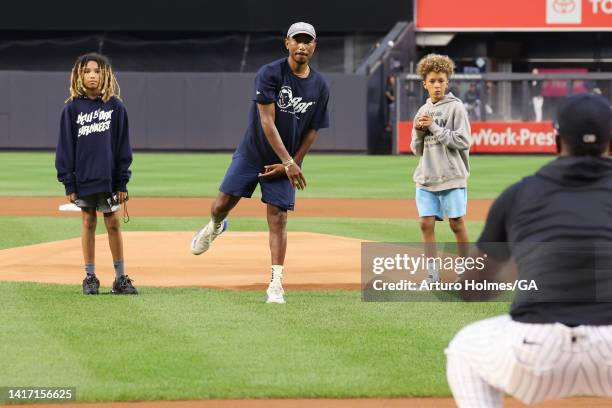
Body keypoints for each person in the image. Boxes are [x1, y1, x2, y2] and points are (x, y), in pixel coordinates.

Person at [446, 93, 612, 407]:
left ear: (556, 140)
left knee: (464, 349)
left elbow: (471, 290)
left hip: (537, 349)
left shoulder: (520, 194)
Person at [190, 22, 330, 304]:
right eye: (297, 40)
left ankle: (276, 283)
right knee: (220, 206)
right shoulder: (269, 73)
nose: (302, 46)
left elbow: (313, 130)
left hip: (285, 162)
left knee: (278, 218)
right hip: (253, 152)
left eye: (308, 41)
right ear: (287, 43)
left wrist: (292, 164)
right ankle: (216, 225)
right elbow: (266, 121)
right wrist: (289, 161)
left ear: (314, 46)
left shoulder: (320, 86)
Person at [55, 53, 137, 296]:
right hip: (84, 179)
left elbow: (123, 146)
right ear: (79, 76)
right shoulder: (71, 109)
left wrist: (122, 181)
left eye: (98, 71)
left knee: (112, 222)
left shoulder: (116, 107)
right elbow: (65, 148)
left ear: (106, 75)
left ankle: (120, 278)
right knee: (89, 221)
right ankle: (90, 276)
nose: (92, 75)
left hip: (109, 180)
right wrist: (68, 182)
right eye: (87, 71)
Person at [410, 54, 471, 283]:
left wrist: (433, 127)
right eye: (433, 81)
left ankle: (466, 271)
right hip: (426, 177)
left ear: (447, 82)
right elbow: (416, 149)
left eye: (441, 81)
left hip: (452, 176)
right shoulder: (421, 110)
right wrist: (418, 131)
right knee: (425, 223)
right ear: (424, 83)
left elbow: (463, 141)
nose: (437, 85)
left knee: (456, 223)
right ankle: (432, 274)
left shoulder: (456, 108)